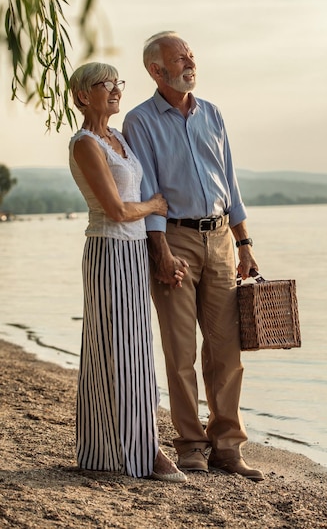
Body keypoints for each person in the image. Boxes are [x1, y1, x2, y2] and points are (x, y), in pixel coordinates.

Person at [122, 32, 264, 481]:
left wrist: (244, 243)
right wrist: (159, 250)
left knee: (226, 350)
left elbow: (231, 184)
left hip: (221, 238)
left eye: (190, 55)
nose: (189, 61)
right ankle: (190, 445)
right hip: (175, 240)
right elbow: (148, 193)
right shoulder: (140, 121)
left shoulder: (213, 114)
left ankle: (227, 446)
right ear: (156, 71)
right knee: (180, 350)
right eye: (179, 57)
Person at [68, 61, 187, 483]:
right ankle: (137, 450)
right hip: (108, 251)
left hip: (134, 253)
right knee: (115, 351)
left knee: (136, 351)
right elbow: (117, 210)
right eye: (106, 84)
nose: (117, 90)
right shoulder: (85, 143)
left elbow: (129, 202)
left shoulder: (118, 138)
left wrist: (161, 255)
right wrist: (155, 206)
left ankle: (129, 448)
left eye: (119, 83)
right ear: (83, 95)